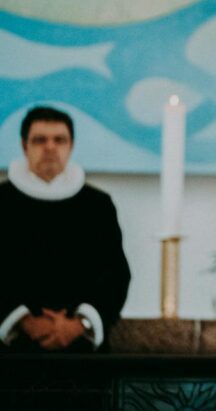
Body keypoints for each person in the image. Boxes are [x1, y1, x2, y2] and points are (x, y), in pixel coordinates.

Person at [0, 106, 131, 353]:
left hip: (81, 349)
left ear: (70, 146)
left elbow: (115, 275)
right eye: (40, 140)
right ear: (23, 146)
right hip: (12, 352)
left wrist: (78, 324)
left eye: (59, 140)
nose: (50, 147)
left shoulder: (97, 205)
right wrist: (23, 320)